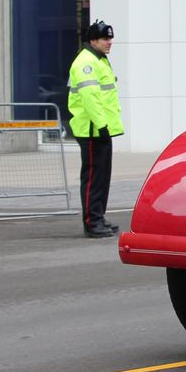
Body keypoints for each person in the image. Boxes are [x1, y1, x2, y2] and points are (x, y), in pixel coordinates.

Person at [69, 19, 125, 238]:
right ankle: (92, 221)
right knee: (93, 177)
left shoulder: (99, 60)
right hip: (92, 129)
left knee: (102, 176)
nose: (109, 42)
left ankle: (98, 216)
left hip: (100, 128)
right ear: (93, 40)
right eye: (105, 38)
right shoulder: (87, 62)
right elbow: (90, 98)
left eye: (110, 38)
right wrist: (101, 125)